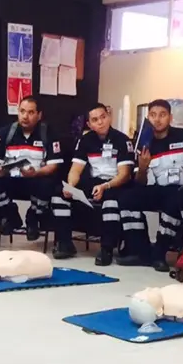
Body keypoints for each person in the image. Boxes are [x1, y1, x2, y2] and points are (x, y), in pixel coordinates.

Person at [116, 99, 183, 271]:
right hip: (160, 189)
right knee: (126, 198)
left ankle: (159, 254)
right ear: (148, 117)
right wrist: (143, 167)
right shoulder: (144, 143)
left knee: (175, 200)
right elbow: (140, 183)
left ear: (170, 117)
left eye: (162, 115)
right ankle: (140, 251)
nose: (157, 119)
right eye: (153, 115)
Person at [52, 103, 133, 265]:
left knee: (110, 200)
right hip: (94, 182)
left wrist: (106, 186)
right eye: (95, 120)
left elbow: (125, 174)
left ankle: (107, 248)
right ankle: (65, 243)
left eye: (103, 117)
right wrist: (70, 186)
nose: (100, 122)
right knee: (59, 194)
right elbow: (75, 170)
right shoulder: (85, 140)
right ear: (89, 124)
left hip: (115, 183)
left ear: (109, 117)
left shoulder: (122, 140)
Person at [0, 96, 62, 241]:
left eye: (31, 112)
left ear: (39, 115)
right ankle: (10, 215)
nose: (25, 116)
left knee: (49, 184)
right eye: (22, 111)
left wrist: (36, 173)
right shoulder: (5, 132)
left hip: (35, 179)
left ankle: (33, 218)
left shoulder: (48, 133)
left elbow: (53, 166)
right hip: (11, 179)